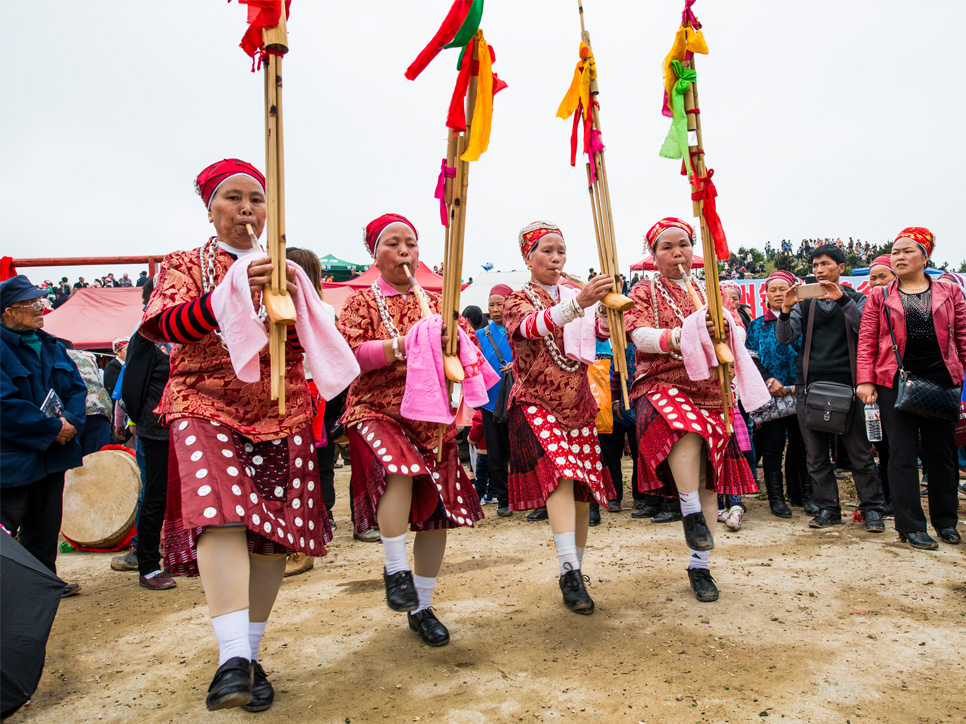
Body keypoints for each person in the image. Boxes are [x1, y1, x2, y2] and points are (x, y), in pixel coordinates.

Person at [139, 159, 357, 711]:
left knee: (270, 537)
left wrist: (298, 303)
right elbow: (161, 325)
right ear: (209, 207)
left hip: (279, 409)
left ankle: (249, 655)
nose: (246, 209)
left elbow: (317, 344)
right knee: (220, 512)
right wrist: (231, 292)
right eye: (232, 198)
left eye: (256, 200)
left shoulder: (287, 270)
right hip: (202, 402)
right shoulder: (185, 264)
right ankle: (231, 657)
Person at [337, 213, 483, 647]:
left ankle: (421, 606)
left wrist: (454, 340)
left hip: (432, 420)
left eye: (411, 244)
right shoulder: (361, 302)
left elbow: (467, 354)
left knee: (438, 515)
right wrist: (402, 345)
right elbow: (348, 355)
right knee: (399, 470)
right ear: (374, 253)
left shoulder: (439, 303)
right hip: (376, 409)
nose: (404, 252)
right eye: (393, 244)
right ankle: (395, 567)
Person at [618, 218, 758, 603]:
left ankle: (700, 566)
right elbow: (638, 335)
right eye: (667, 247)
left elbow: (739, 334)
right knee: (686, 426)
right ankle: (690, 512)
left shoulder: (712, 289)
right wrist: (684, 335)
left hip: (712, 389)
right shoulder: (644, 290)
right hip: (662, 381)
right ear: (654, 255)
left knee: (708, 478)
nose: (677, 252)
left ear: (693, 250)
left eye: (683, 244)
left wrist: (723, 327)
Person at [502, 221, 615, 615]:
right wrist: (581, 302)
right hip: (537, 403)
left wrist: (604, 307)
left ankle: (575, 571)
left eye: (561, 251)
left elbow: (597, 336)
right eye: (547, 250)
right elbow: (531, 327)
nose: (556, 258)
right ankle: (568, 570)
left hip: (579, 403)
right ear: (528, 257)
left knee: (582, 488)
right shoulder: (515, 299)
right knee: (562, 476)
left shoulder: (572, 294)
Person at [857, 228, 966, 549]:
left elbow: (962, 336)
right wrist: (865, 380)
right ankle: (911, 525)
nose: (899, 257)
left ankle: (946, 520)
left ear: (925, 256)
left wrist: (961, 379)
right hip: (894, 381)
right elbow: (867, 341)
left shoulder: (949, 291)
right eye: (895, 252)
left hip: (942, 380)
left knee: (941, 454)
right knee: (901, 454)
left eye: (907, 251)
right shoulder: (880, 295)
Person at [776, 243, 886, 533]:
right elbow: (785, 338)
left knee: (860, 454)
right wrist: (786, 310)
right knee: (816, 455)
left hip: (850, 388)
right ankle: (828, 508)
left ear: (841, 268)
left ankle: (872, 508)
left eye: (825, 264)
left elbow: (866, 331)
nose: (819, 270)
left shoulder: (858, 299)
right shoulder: (805, 302)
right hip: (810, 387)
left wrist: (841, 301)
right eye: (814, 265)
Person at [0, 274, 87, 597]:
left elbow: (78, 389)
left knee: (45, 526)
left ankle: (43, 585)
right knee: (6, 531)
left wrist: (72, 422)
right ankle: (12, 593)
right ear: (7, 312)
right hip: (13, 462)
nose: (40, 308)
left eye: (40, 301)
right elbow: (5, 406)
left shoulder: (51, 345)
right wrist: (53, 428)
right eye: (30, 304)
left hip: (51, 458)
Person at [119, 277, 176, 590]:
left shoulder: (187, 332)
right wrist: (149, 420)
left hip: (186, 428)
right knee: (156, 496)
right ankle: (149, 565)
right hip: (157, 431)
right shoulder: (145, 336)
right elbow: (132, 389)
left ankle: (181, 554)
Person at [745, 270, 811, 517]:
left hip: (801, 390)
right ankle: (776, 499)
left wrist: (799, 383)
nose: (777, 294)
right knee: (772, 448)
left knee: (801, 445)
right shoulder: (757, 325)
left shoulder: (803, 320)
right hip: (771, 394)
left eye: (782, 289)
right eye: (772, 290)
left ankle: (802, 494)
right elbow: (750, 358)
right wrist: (769, 380)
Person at [475, 284, 515, 517]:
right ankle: (503, 497)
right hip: (490, 404)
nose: (496, 309)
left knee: (519, 450)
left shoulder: (519, 333)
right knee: (496, 453)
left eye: (500, 303)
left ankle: (524, 495)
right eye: (492, 304)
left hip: (517, 401)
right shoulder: (480, 336)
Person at [866, 254, 898, 515]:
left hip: (902, 383)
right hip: (876, 386)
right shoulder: (867, 306)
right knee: (883, 446)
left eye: (882, 276)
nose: (877, 282)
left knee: (902, 448)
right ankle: (887, 497)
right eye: (872, 278)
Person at [65, 347, 112, 455]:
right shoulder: (86, 356)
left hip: (78, 409)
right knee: (97, 457)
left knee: (73, 460)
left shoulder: (59, 356)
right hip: (101, 407)